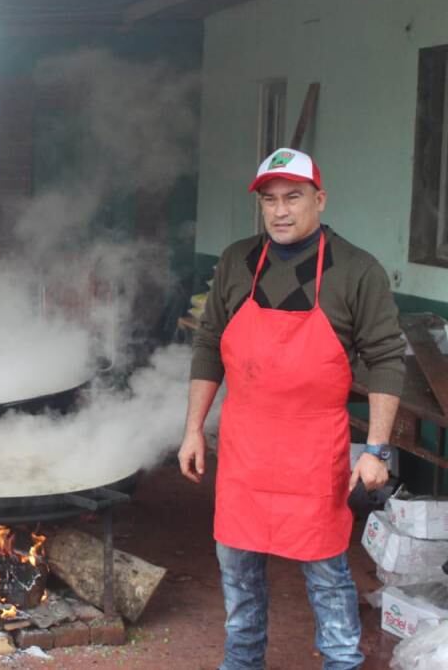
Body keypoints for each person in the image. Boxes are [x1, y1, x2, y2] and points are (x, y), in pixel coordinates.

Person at [177, 148, 405, 669]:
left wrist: (377, 449)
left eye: (293, 197)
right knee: (237, 572)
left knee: (326, 574)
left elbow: (387, 360)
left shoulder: (357, 270)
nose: (280, 211)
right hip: (244, 444)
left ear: (319, 200)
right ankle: (241, 662)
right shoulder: (237, 261)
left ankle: (343, 662)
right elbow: (209, 345)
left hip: (314, 447)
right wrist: (193, 429)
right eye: (269, 200)